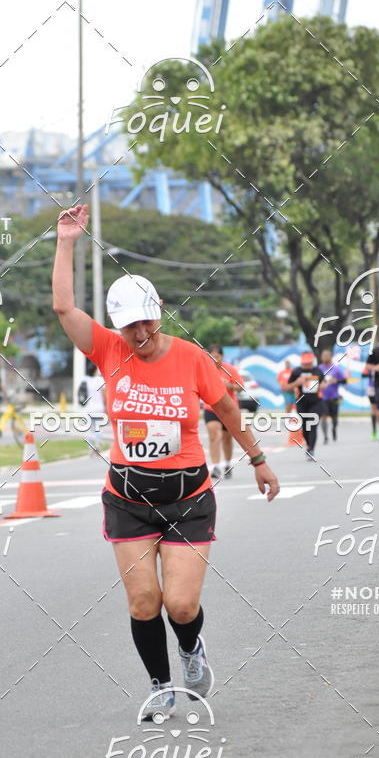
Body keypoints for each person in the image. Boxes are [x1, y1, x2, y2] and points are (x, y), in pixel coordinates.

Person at [52, 205, 280, 720]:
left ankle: (192, 649)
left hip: (187, 498)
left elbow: (225, 407)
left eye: (147, 321)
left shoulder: (190, 357)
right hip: (128, 500)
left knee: (179, 606)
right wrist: (66, 241)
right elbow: (65, 309)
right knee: (142, 604)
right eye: (129, 325)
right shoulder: (109, 350)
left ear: (160, 312)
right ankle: (160, 687)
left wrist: (259, 459)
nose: (139, 333)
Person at [202, 345, 245, 480]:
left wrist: (230, 385)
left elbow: (241, 388)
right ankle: (215, 466)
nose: (215, 359)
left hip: (228, 409)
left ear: (222, 356)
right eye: (212, 356)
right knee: (215, 436)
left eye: (217, 356)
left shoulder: (230, 370)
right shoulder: (205, 370)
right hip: (211, 408)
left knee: (227, 439)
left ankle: (227, 464)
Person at [287, 351, 324, 459]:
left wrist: (324, 385)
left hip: (316, 402)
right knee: (305, 426)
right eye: (305, 364)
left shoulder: (317, 371)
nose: (307, 366)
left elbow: (324, 383)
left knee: (313, 425)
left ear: (312, 361)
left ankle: (311, 449)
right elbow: (288, 387)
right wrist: (296, 383)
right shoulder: (296, 372)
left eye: (309, 363)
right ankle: (308, 445)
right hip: (301, 402)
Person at [77, 362, 106, 453]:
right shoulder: (100, 380)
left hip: (87, 409)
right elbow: (104, 394)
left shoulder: (84, 380)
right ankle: (97, 445)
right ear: (95, 371)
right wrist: (106, 406)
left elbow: (80, 393)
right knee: (98, 428)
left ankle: (91, 447)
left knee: (89, 429)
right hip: (99, 408)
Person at [318, 349, 346, 444]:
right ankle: (325, 436)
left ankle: (334, 428)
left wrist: (336, 381)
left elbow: (344, 380)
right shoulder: (318, 369)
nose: (325, 357)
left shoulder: (336, 369)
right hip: (322, 397)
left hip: (334, 396)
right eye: (323, 355)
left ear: (330, 357)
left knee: (334, 417)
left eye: (327, 355)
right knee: (323, 416)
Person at [361, 367, 379, 440]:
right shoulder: (370, 364)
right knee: (374, 409)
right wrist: (370, 373)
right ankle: (374, 430)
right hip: (372, 388)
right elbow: (363, 374)